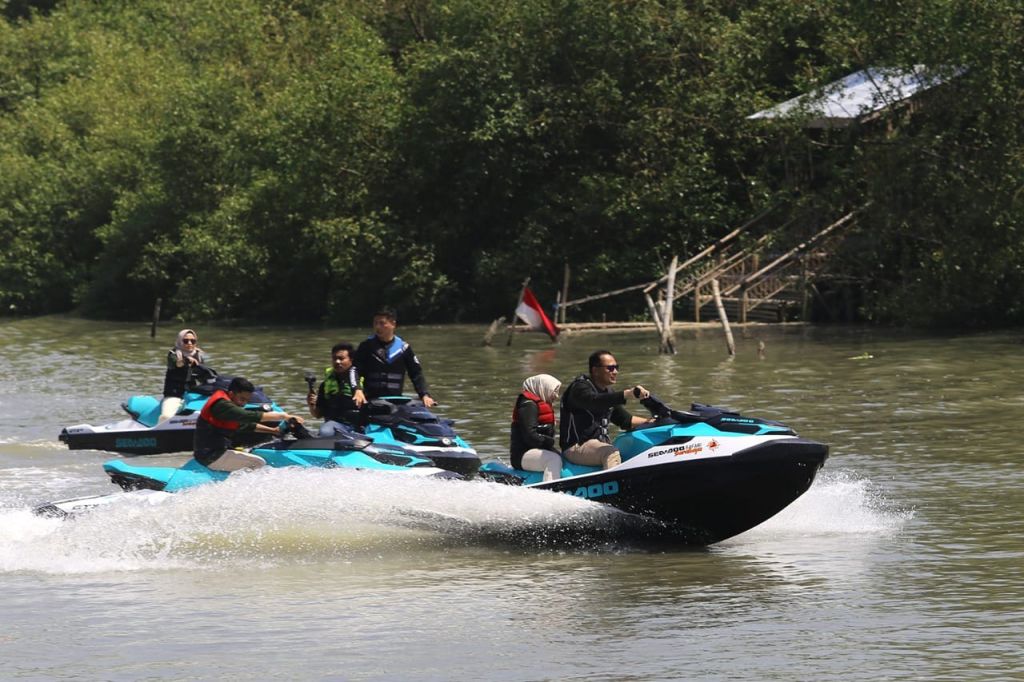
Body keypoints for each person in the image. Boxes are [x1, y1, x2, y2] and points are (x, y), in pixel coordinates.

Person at [559, 350, 652, 470]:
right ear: (595, 370)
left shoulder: (608, 392)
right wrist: (627, 394)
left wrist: (653, 421)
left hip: (598, 445)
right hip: (576, 446)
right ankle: (619, 486)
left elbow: (625, 420)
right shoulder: (579, 388)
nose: (615, 372)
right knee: (610, 453)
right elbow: (594, 401)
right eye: (610, 368)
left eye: (616, 367)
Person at [193, 376, 304, 472]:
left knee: (256, 453)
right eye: (242, 399)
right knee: (258, 463)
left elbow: (245, 425)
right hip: (211, 456)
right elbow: (248, 416)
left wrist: (273, 431)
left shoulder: (227, 405)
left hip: (217, 450)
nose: (244, 404)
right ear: (231, 394)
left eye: (247, 400)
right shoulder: (222, 405)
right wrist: (285, 416)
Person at [354, 307, 436, 408]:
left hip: (396, 401)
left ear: (393, 324)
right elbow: (354, 370)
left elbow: (416, 374)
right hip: (371, 400)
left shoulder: (404, 348)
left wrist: (424, 395)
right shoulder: (366, 346)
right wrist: (357, 390)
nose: (377, 327)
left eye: (382, 323)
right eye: (375, 323)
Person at [510, 374, 564, 481]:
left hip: (538, 450)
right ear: (544, 388)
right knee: (553, 460)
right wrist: (550, 442)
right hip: (522, 454)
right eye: (554, 391)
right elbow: (530, 436)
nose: (557, 396)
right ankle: (551, 492)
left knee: (562, 458)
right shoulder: (528, 405)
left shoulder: (541, 403)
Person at [307, 342, 367, 436]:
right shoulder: (326, 384)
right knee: (325, 431)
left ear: (351, 359)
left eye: (341, 359)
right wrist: (311, 405)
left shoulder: (362, 381)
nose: (337, 362)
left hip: (358, 426)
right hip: (333, 426)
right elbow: (318, 414)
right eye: (335, 359)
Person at [159, 329, 205, 422]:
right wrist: (186, 360)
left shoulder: (199, 355)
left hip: (193, 393)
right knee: (166, 416)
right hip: (175, 394)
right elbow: (177, 364)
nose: (189, 343)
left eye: (192, 341)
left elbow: (205, 372)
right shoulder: (173, 354)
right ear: (180, 341)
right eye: (185, 341)